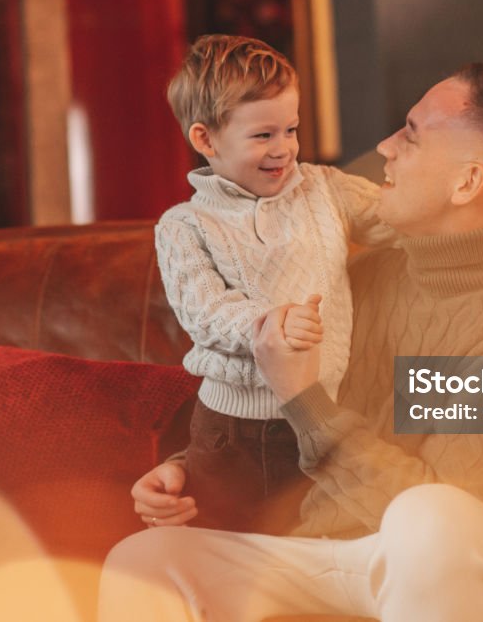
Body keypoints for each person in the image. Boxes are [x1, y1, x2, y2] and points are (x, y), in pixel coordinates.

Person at [101, 62, 483, 621]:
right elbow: (295, 399)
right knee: (144, 561)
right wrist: (191, 469)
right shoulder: (366, 278)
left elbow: (443, 506)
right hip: (347, 549)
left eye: (411, 132)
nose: (385, 146)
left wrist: (305, 402)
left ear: (466, 183)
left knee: (428, 519)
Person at [155, 34, 396, 533]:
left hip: (320, 417)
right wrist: (271, 324)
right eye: (263, 136)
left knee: (314, 551)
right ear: (206, 140)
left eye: (291, 129)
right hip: (231, 434)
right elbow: (205, 312)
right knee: (233, 560)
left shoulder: (324, 189)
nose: (284, 149)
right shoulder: (184, 226)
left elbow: (400, 217)